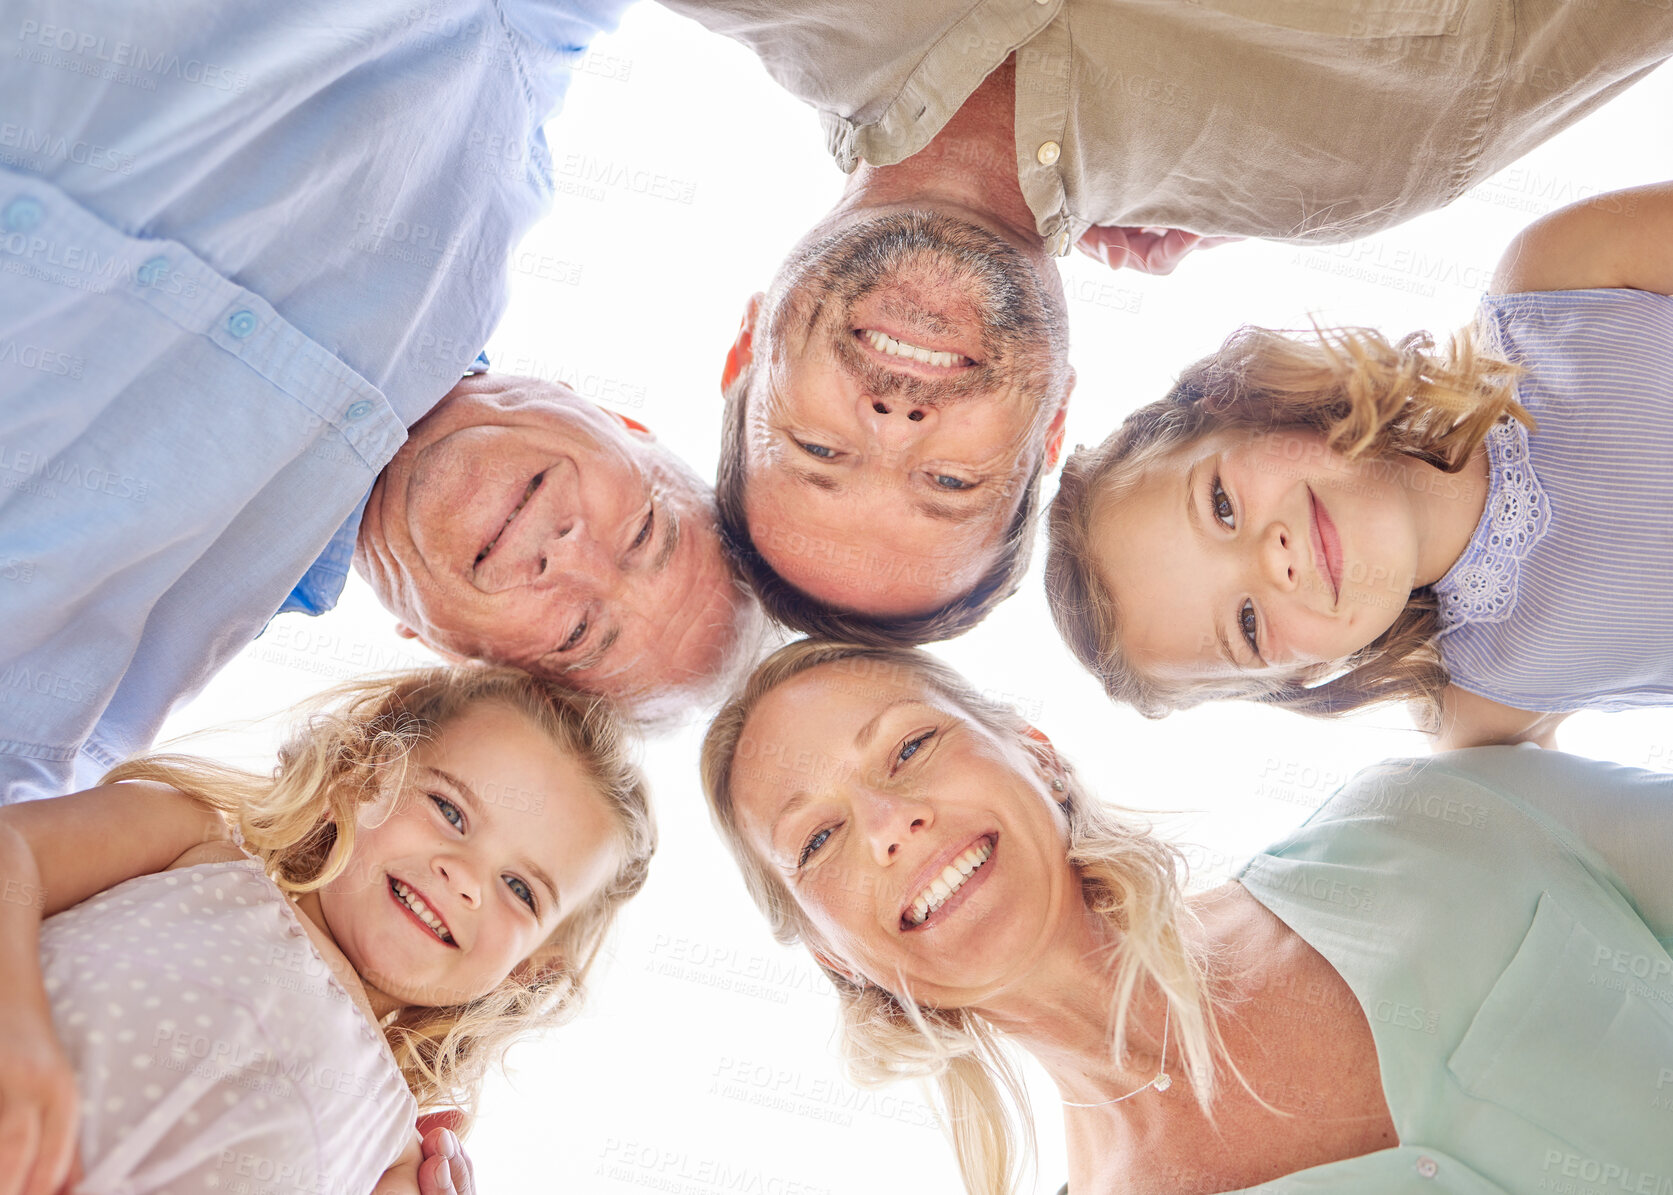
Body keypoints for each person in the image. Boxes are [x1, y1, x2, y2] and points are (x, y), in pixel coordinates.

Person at [663, 0, 1673, 641]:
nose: (893, 426)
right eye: (948, 481)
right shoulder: (1363, 150)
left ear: (747, 351)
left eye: (818, 446)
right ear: (1050, 425)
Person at [0, 0, 755, 805]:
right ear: (625, 423)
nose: (566, 558)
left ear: (457, 659)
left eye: (576, 633)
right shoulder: (492, 81)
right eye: (643, 534)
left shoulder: (99, 700)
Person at [700, 640, 1673, 1194]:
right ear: (838, 963)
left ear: (1034, 754)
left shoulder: (1421, 820)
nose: (885, 826)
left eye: (908, 747)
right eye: (817, 839)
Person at [1045, 182, 1673, 748]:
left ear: (1247, 408)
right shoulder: (1485, 709)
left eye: (1222, 505)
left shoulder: (1565, 285)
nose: (1274, 561)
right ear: (1305, 672)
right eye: (1247, 623)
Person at [0, 665, 655, 1195]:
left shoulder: (391, 1150)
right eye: (450, 810)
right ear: (365, 772)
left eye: (520, 889)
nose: (466, 881)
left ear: (528, 967)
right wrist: (18, 1030)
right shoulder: (192, 843)